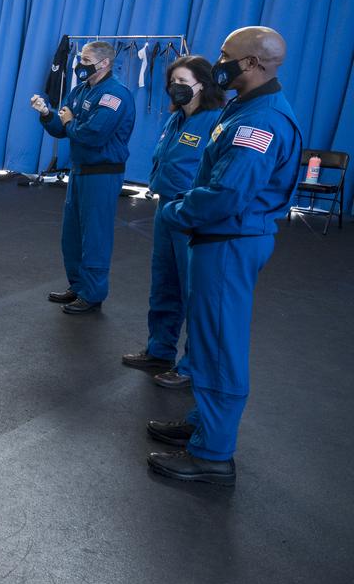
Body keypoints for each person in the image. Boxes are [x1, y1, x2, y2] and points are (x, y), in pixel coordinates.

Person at [146, 27, 301, 486]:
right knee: (211, 340)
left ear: (254, 64)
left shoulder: (259, 123)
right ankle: (204, 423)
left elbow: (225, 194)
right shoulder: (245, 107)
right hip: (222, 239)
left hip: (228, 240)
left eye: (226, 55)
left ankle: (213, 454)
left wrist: (176, 210)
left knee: (218, 345)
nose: (219, 61)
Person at [121, 56, 224, 388]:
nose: (175, 89)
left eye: (183, 82)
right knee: (164, 283)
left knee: (193, 290)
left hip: (191, 213)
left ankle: (192, 366)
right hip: (166, 207)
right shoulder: (176, 120)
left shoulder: (215, 121)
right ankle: (159, 349)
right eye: (172, 83)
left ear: (203, 85)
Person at [30, 40, 135, 314]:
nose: (80, 65)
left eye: (86, 60)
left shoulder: (114, 95)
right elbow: (62, 128)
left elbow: (92, 135)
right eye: (80, 59)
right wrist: (46, 114)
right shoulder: (80, 90)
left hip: (102, 174)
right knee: (73, 235)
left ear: (104, 64)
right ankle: (77, 285)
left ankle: (93, 293)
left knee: (95, 236)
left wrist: (68, 121)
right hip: (79, 172)